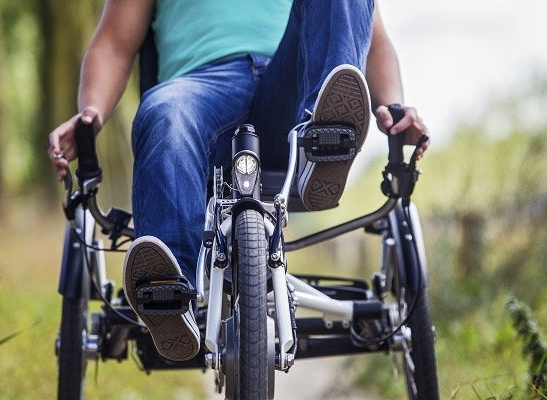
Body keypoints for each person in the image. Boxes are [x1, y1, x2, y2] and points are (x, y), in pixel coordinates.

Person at [48, 0, 430, 362]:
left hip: (292, 90)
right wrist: (90, 116)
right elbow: (113, 43)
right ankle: (170, 295)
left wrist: (395, 109)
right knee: (164, 112)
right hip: (199, 92)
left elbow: (372, 42)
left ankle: (322, 140)